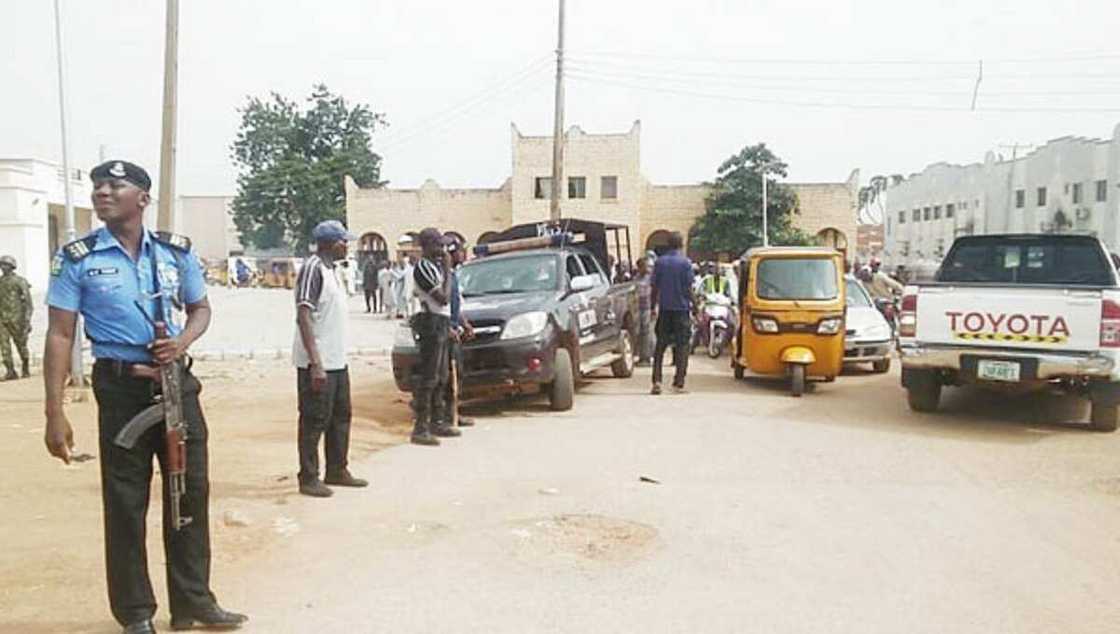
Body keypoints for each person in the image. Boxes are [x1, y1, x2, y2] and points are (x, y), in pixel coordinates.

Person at [42, 160, 247, 634]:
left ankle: (194, 601)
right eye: (98, 186)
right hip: (121, 389)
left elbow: (199, 308)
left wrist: (182, 342)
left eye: (115, 185)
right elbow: (59, 334)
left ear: (143, 198)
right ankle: (136, 613)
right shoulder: (79, 258)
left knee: (188, 493)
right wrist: (55, 411)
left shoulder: (175, 253)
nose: (102, 193)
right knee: (126, 503)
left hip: (176, 383)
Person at [292, 220, 369, 498]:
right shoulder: (313, 269)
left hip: (337, 360)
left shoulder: (332, 271)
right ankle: (309, 477)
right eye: (343, 241)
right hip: (318, 362)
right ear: (330, 243)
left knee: (340, 416)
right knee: (314, 420)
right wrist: (316, 363)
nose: (346, 246)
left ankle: (337, 469)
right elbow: (303, 315)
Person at [409, 228, 461, 446]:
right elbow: (443, 299)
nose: (442, 250)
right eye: (438, 245)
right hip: (430, 322)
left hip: (440, 322)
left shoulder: (435, 267)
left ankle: (437, 421)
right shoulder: (424, 268)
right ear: (427, 246)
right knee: (429, 377)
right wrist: (448, 270)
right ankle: (420, 427)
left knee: (441, 376)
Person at [650, 231, 695, 395]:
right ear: (681, 244)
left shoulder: (660, 262)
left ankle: (657, 381)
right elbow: (688, 288)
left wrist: (651, 306)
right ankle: (678, 383)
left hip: (665, 309)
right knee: (683, 346)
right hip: (681, 310)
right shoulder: (685, 263)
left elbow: (654, 287)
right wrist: (695, 306)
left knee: (660, 346)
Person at [440, 236, 475, 428]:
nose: (464, 254)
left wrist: (465, 323)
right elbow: (438, 306)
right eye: (461, 250)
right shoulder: (442, 275)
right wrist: (447, 327)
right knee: (446, 375)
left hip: (454, 330)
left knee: (457, 373)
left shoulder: (453, 275)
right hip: (444, 333)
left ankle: (454, 412)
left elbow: (455, 304)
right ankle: (445, 416)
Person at [0, 255, 33, 380]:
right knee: (4, 346)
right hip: (2, 319)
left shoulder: (20, 281)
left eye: (5, 265)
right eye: (2, 265)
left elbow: (28, 303)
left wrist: (27, 320)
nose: (3, 267)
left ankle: (25, 367)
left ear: (12, 266)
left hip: (18, 319)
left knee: (21, 344)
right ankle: (10, 371)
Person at [633, 256, 654, 367]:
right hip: (638, 308)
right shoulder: (636, 278)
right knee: (639, 332)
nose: (645, 268)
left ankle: (646, 358)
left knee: (646, 332)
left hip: (647, 307)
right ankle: (642, 356)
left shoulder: (651, 278)